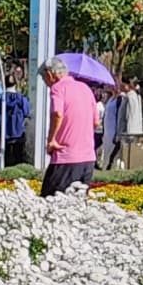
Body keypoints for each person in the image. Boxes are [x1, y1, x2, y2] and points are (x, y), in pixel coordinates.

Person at [39, 56, 97, 196]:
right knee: (78, 202)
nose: (46, 83)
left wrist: (51, 140)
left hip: (65, 157)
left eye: (44, 79)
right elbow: (96, 122)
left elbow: (57, 114)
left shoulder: (58, 88)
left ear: (50, 74)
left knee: (49, 201)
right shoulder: (85, 88)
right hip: (87, 158)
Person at [3, 75, 30, 168]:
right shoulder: (21, 99)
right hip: (18, 132)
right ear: (16, 84)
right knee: (18, 157)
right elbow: (26, 112)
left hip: (4, 132)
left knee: (5, 158)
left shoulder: (1, 98)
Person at [100, 85, 121, 169]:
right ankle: (105, 166)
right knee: (106, 149)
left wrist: (117, 132)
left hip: (113, 129)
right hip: (107, 129)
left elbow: (119, 116)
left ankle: (113, 167)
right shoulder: (110, 99)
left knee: (113, 150)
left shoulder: (119, 99)